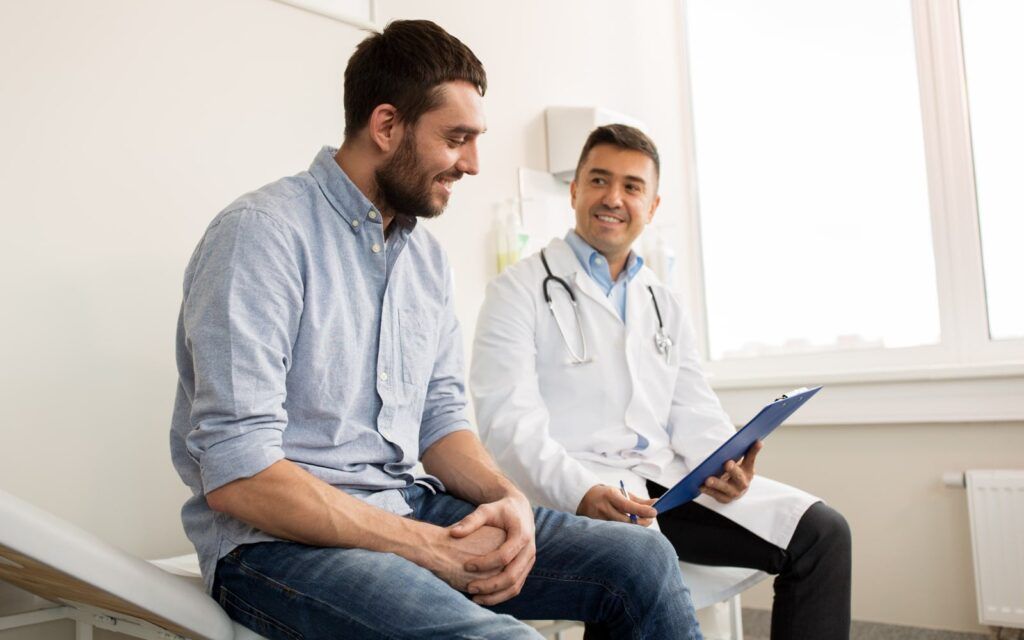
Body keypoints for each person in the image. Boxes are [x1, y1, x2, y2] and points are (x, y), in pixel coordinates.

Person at [169, 21, 702, 640]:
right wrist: (422, 547)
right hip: (274, 549)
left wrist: (505, 498)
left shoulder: (424, 261)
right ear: (387, 125)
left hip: (406, 505)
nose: (473, 164)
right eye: (456, 139)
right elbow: (240, 476)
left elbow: (440, 421)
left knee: (640, 559)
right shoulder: (262, 234)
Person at [471, 124, 852, 640]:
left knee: (823, 533)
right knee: (631, 561)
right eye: (599, 180)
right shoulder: (516, 291)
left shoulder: (662, 300)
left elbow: (692, 407)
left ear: (651, 206)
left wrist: (726, 461)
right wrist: (583, 492)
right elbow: (508, 425)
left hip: (665, 485)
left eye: (632, 187)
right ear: (575, 191)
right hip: (572, 490)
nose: (613, 198)